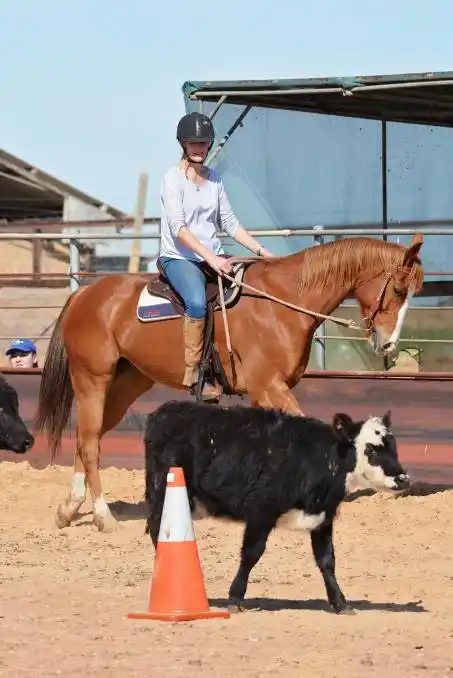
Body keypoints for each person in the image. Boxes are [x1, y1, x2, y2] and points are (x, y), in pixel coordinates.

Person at [158, 111, 276, 400]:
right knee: (197, 302)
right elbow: (178, 229)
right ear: (183, 144)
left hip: (215, 256)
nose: (199, 148)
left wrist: (263, 252)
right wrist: (211, 259)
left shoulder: (215, 180)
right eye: (193, 143)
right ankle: (194, 375)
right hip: (180, 258)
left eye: (203, 143)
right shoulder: (172, 180)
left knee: (251, 290)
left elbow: (230, 224)